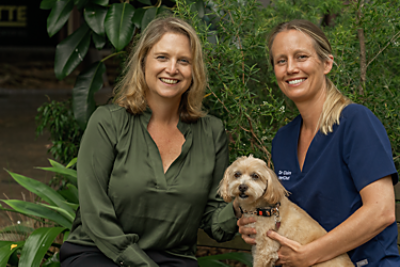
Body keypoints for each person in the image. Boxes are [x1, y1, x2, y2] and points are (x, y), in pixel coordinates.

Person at [60, 17, 240, 267]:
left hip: (173, 258)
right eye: (162, 57)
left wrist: (244, 204)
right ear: (143, 62)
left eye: (184, 60)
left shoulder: (212, 132)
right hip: (99, 253)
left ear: (194, 70)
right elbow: (95, 213)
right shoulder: (107, 122)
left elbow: (215, 222)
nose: (173, 68)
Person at [238, 19, 400, 267]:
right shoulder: (283, 140)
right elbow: (288, 212)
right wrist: (258, 223)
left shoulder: (356, 122)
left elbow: (381, 211)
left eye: (301, 56)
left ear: (326, 63)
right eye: (281, 61)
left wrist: (310, 254)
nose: (291, 68)